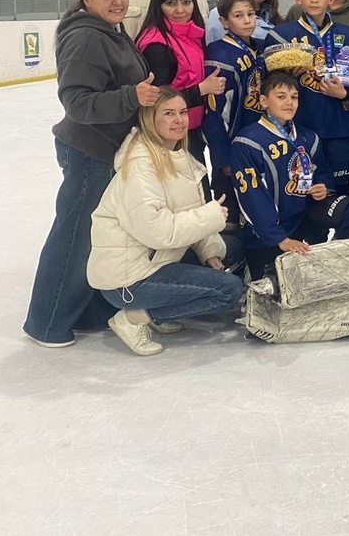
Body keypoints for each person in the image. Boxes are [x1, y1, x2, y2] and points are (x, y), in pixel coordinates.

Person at [24, 0, 160, 348]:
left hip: (104, 150)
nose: (117, 1)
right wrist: (132, 96)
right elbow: (77, 103)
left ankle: (82, 313)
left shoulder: (109, 31)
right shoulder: (86, 36)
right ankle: (46, 323)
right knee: (74, 237)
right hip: (88, 151)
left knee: (94, 236)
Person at [87, 89, 243, 356]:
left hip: (157, 260)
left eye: (182, 112)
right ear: (150, 119)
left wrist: (208, 249)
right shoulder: (140, 167)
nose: (179, 120)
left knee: (232, 249)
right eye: (169, 114)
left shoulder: (176, 155)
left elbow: (189, 209)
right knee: (228, 290)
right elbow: (158, 232)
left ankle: (159, 310)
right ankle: (135, 317)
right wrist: (210, 218)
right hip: (129, 280)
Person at [230, 71, 349, 280]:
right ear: (263, 101)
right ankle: (254, 267)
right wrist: (280, 239)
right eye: (281, 97)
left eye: (294, 97)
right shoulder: (247, 142)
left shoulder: (308, 136)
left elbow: (322, 171)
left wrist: (323, 186)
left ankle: (332, 264)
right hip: (268, 231)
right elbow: (252, 198)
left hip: (304, 216)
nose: (289, 102)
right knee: (280, 286)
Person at [268, 0, 349, 196]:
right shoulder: (280, 37)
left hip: (340, 130)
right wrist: (287, 76)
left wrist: (344, 95)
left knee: (343, 193)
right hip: (299, 128)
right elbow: (268, 86)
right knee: (302, 192)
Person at [135, 0, 225, 166]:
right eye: (171, 3)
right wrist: (202, 89)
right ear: (158, 6)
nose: (180, 10)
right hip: (169, 133)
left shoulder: (188, 34)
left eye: (186, 2)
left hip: (189, 126)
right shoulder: (157, 45)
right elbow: (157, 98)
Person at [203, 0, 264, 228]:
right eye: (239, 16)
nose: (247, 20)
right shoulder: (219, 54)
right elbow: (215, 113)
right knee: (230, 216)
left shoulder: (261, 48)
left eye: (251, 14)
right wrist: (223, 157)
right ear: (224, 21)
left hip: (258, 141)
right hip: (233, 145)